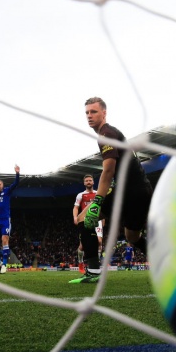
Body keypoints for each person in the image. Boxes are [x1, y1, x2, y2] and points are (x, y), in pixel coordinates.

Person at [70, 97, 153, 284]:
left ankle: (92, 271)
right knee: (132, 236)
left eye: (94, 112)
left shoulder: (106, 133)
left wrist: (97, 201)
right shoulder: (110, 133)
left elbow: (108, 170)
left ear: (104, 113)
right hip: (136, 191)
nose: (89, 116)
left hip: (132, 192)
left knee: (85, 217)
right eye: (87, 113)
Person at [72, 174, 104, 268]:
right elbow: (76, 207)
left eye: (90, 180)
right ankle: (81, 262)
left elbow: (102, 207)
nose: (88, 182)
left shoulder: (98, 193)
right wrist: (75, 217)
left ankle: (96, 263)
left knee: (99, 241)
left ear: (93, 182)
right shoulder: (80, 195)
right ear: (84, 183)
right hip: (85, 221)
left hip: (97, 220)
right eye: (87, 181)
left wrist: (103, 219)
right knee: (82, 245)